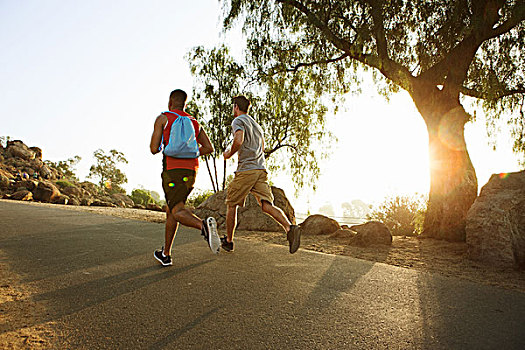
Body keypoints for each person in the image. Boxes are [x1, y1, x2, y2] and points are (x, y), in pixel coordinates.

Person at [222, 95, 302, 253]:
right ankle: (290, 228)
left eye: (233, 107)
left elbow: (238, 141)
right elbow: (262, 148)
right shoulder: (257, 126)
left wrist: (228, 154)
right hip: (260, 169)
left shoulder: (238, 121)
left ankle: (229, 241)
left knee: (231, 204)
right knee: (266, 205)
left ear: (236, 107)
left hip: (247, 170)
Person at [150, 89, 221, 266]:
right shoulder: (194, 122)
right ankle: (166, 254)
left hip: (172, 172)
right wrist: (192, 151)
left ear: (170, 102)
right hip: (191, 173)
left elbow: (153, 148)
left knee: (177, 210)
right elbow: (209, 148)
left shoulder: (163, 118)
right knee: (172, 209)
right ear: (185, 104)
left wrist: (167, 148)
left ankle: (203, 226)